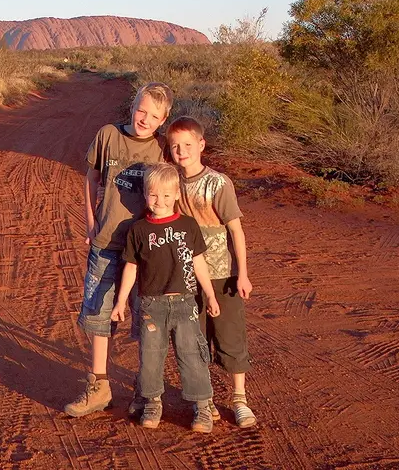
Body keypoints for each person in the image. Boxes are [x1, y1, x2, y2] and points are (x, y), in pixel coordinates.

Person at [63, 82, 172, 418]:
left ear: (163, 119)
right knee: (98, 314)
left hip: (146, 249)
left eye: (154, 115)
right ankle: (99, 387)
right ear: (133, 105)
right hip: (107, 241)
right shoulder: (108, 135)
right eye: (141, 110)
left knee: (147, 320)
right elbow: (92, 177)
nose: (145, 118)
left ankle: (146, 392)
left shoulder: (160, 149)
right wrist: (91, 220)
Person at [110, 162, 221, 431]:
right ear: (146, 194)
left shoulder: (188, 225)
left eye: (166, 195)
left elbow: (198, 262)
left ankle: (203, 405)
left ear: (176, 196)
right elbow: (132, 267)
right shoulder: (138, 230)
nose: (160, 201)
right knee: (150, 355)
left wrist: (210, 295)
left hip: (185, 303)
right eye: (154, 194)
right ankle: (152, 401)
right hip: (151, 304)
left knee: (191, 354)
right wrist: (121, 300)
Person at [166, 116, 257, 428]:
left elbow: (236, 230)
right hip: (186, 276)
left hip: (222, 274)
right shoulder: (170, 182)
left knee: (230, 336)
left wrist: (242, 273)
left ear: (201, 145)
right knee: (195, 339)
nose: (181, 151)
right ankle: (203, 401)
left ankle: (240, 398)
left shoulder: (218, 183)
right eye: (175, 146)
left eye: (188, 145)